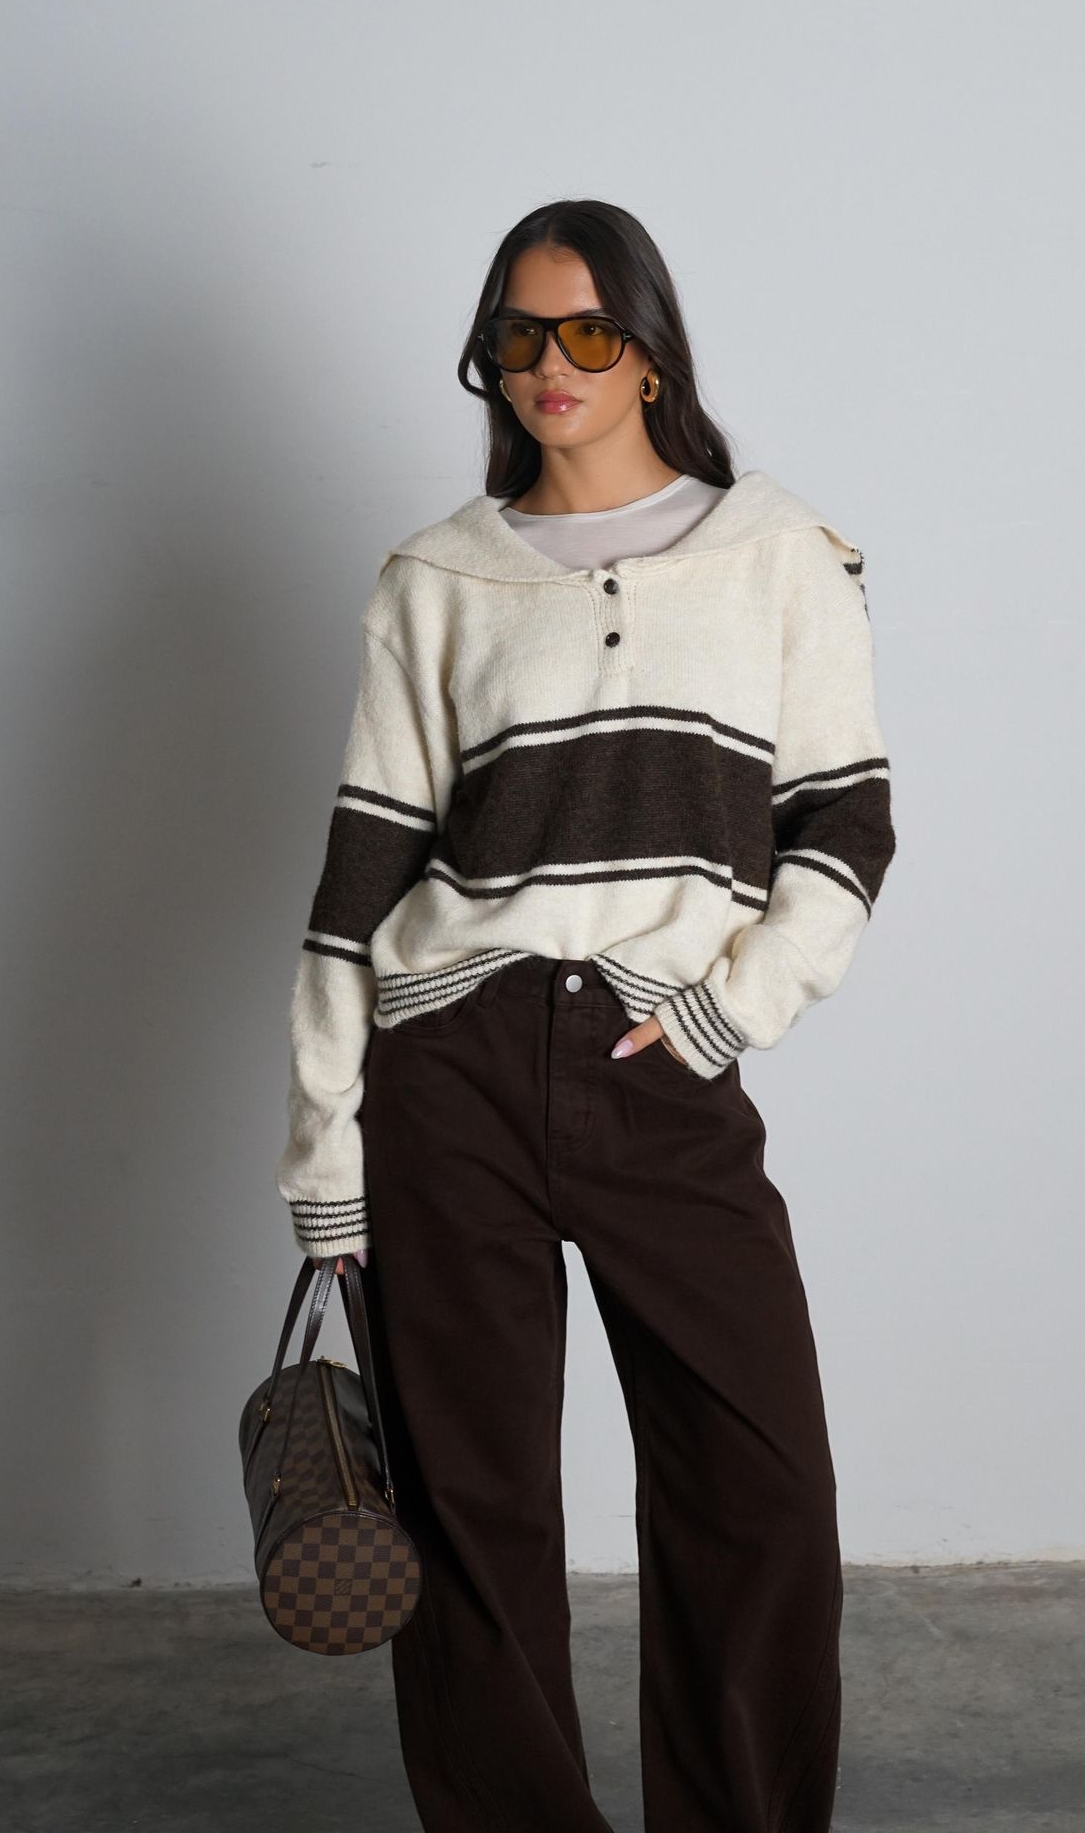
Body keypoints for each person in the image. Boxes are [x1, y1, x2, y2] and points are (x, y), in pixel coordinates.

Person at [277, 199, 896, 1832]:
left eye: (589, 333)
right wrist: (324, 1143)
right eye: (518, 336)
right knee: (471, 1518)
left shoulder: (777, 553)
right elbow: (359, 876)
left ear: (650, 353)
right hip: (449, 1069)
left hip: (652, 1063)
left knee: (759, 1493)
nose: (550, 366)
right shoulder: (437, 579)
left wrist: (726, 1013)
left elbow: (841, 822)